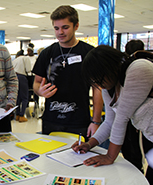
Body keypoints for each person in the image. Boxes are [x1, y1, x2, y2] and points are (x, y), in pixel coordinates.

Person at [71, 45, 153, 185]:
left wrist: (110, 156)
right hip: (150, 136)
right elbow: (109, 122)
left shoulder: (138, 69)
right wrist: (90, 144)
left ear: (111, 67)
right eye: (94, 82)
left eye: (100, 78)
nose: (99, 84)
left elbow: (121, 118)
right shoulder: (108, 87)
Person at [32, 5, 103, 139]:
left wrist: (96, 121)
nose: (60, 32)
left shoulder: (89, 53)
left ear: (76, 26)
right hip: (51, 119)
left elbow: (97, 88)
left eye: (65, 27)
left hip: (79, 120)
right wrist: (39, 91)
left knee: (79, 158)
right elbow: (36, 83)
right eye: (56, 28)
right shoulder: (47, 53)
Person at [119, 39, 146, 172]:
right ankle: (137, 168)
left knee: (132, 145)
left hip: (139, 118)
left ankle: (136, 169)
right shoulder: (142, 64)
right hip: (135, 117)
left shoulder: (135, 68)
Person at [12, 50, 32, 122]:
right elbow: (28, 69)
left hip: (14, 77)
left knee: (18, 98)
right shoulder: (25, 58)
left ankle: (17, 115)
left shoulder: (14, 60)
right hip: (22, 77)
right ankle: (22, 115)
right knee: (25, 98)